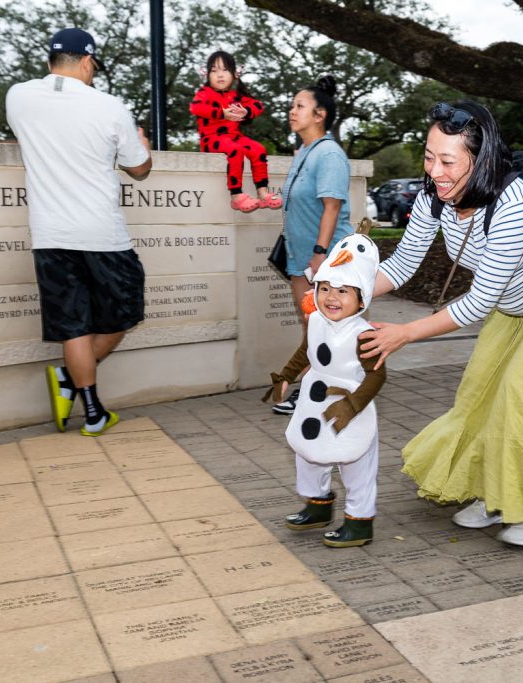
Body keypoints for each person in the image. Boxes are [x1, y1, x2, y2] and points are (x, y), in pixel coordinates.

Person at [359, 100, 523, 546]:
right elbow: (400, 266)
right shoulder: (431, 198)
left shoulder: (514, 203)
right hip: (514, 302)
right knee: (480, 394)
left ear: (482, 160)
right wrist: (344, 291)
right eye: (429, 156)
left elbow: (477, 303)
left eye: (448, 161)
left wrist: (406, 333)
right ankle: (495, 494)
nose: (435, 170)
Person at [6, 27, 152, 437]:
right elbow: (139, 170)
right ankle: (75, 387)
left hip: (49, 233)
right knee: (126, 311)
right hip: (102, 233)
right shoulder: (109, 107)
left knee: (73, 325)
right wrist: (141, 142)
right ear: (88, 62)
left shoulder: (17, 96)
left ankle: (91, 410)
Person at [264, 234, 386, 547]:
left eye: (343, 291)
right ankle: (317, 506)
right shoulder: (317, 320)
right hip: (313, 403)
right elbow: (307, 349)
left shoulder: (364, 335)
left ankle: (359, 521)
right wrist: (285, 376)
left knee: (355, 463)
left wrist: (352, 405)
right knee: (308, 455)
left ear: (362, 299)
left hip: (350, 407)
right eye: (325, 288)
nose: (331, 297)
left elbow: (376, 376)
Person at [272, 74, 353, 415]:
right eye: (292, 105)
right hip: (299, 259)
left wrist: (321, 255)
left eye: (299, 106)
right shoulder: (305, 152)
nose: (292, 111)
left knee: (324, 327)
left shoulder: (329, 154)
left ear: (319, 115)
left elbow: (332, 207)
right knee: (311, 326)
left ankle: (310, 388)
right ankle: (318, 386)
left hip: (326, 259)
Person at [190, 50, 280, 213]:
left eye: (225, 70)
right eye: (214, 70)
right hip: (211, 139)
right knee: (235, 150)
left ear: (234, 74)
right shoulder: (204, 93)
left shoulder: (235, 95)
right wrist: (221, 113)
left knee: (259, 149)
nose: (220, 75)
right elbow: (196, 107)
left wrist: (246, 111)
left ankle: (262, 192)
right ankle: (236, 195)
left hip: (234, 137)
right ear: (207, 75)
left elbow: (258, 105)